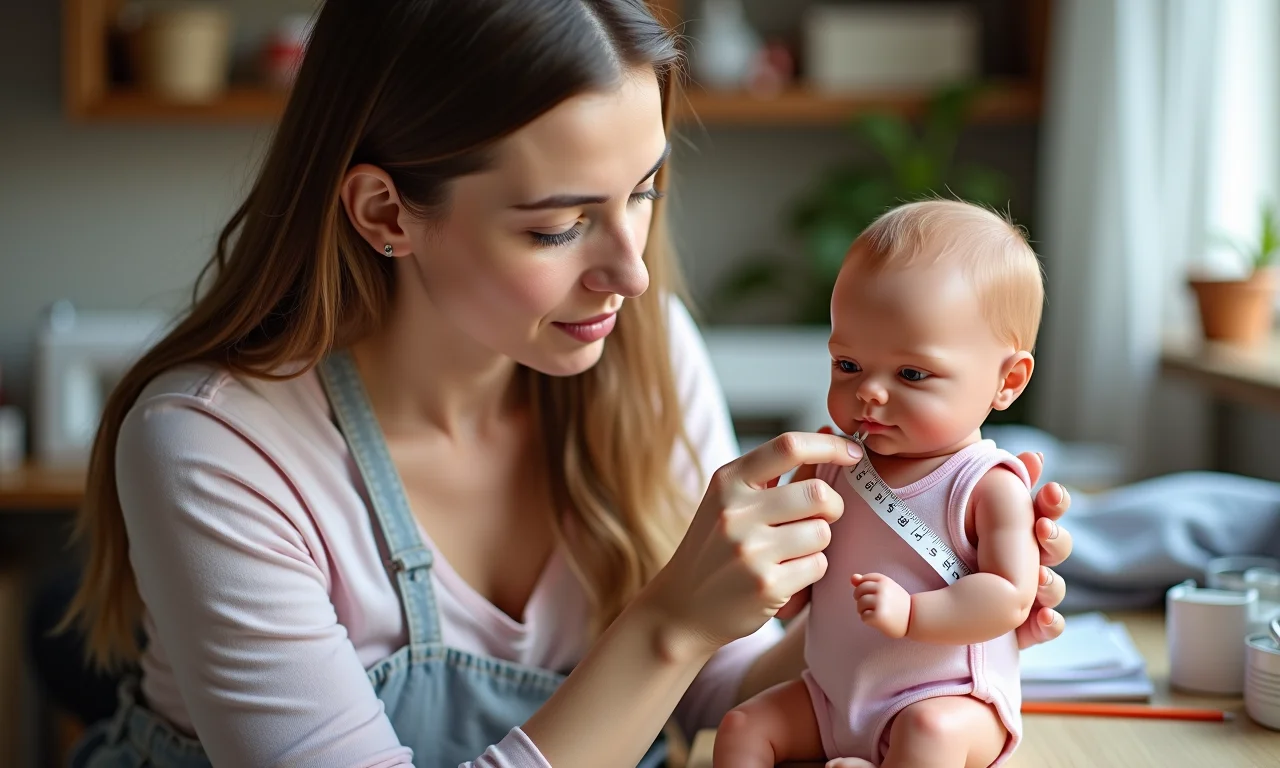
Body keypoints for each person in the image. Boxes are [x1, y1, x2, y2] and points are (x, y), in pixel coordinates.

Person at [60, 3, 1074, 766]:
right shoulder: (216, 444)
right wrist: (668, 619)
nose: (630, 270)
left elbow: (707, 690)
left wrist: (902, 619)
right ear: (384, 213)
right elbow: (669, 649)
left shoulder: (640, 351)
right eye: (554, 226)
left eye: (642, 194)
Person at [714, 201, 1047, 768]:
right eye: (847, 365)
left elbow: (1009, 597)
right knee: (743, 726)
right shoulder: (831, 465)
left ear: (1006, 381)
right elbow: (796, 596)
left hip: (947, 700)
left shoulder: (987, 485)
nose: (869, 392)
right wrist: (770, 573)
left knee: (928, 734)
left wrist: (913, 615)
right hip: (830, 696)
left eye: (911, 374)